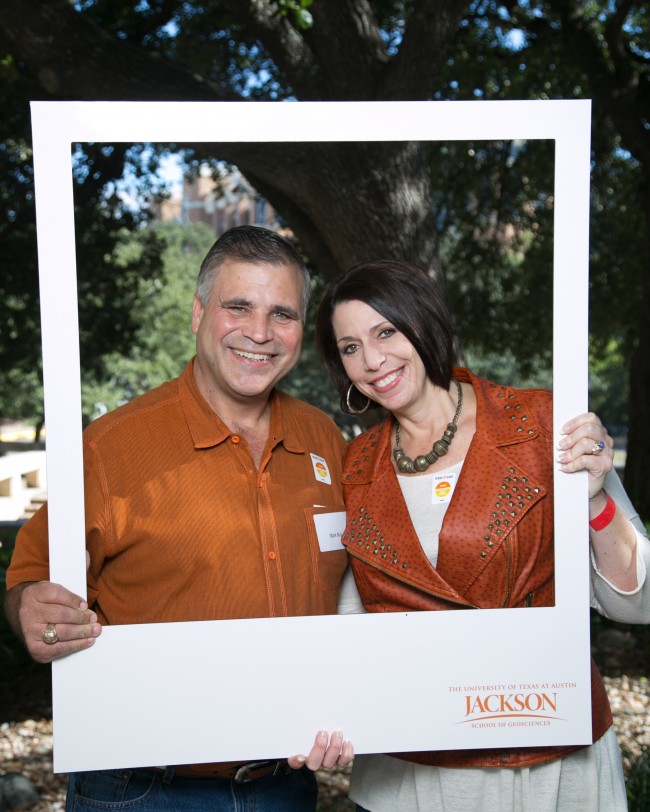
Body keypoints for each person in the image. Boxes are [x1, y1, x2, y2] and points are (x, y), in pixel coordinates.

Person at [4, 225, 353, 811]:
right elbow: (28, 582)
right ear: (198, 313)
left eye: (282, 314)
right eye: (238, 306)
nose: (260, 333)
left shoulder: (325, 439)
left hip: (285, 787)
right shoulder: (112, 447)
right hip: (141, 789)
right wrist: (29, 609)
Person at [315, 258, 650, 812]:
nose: (372, 361)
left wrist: (594, 499)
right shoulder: (352, 466)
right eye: (350, 347)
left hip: (546, 752)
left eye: (386, 332)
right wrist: (331, 709)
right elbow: (351, 621)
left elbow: (637, 601)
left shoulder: (546, 426)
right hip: (411, 767)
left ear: (424, 325)